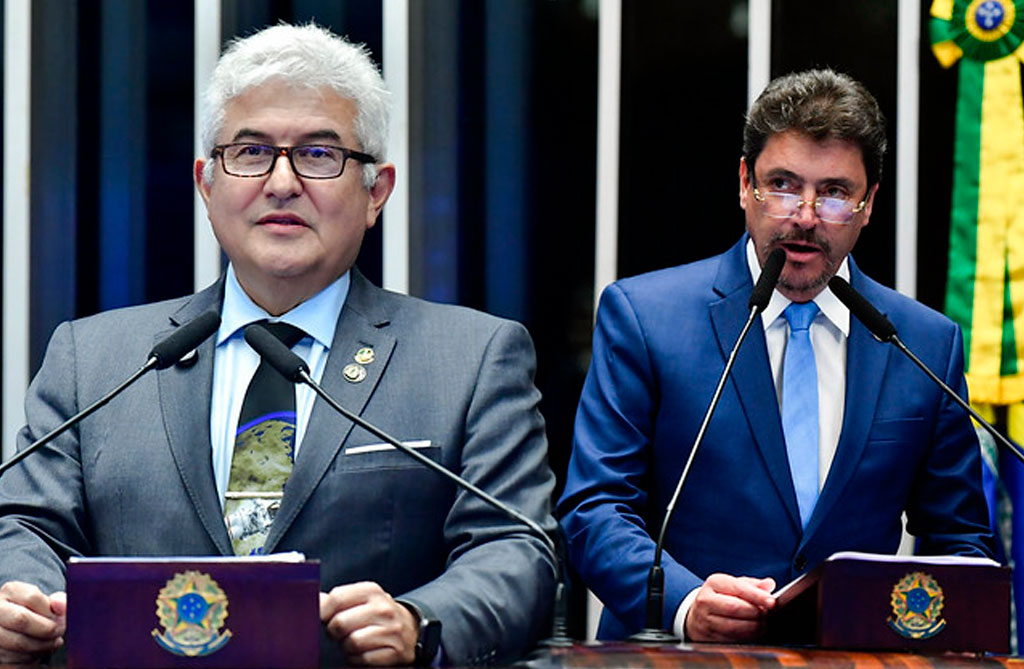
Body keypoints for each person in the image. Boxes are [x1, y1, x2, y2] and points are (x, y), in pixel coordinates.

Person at [0, 23, 557, 666]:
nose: (283, 182)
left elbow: (516, 547)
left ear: (376, 192)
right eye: (251, 152)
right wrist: (25, 599)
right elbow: (25, 524)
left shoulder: (471, 358)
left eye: (320, 154)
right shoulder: (94, 360)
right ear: (207, 184)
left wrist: (418, 620)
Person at [557, 69, 995, 642]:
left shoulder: (923, 343)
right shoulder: (644, 317)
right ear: (745, 184)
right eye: (783, 185)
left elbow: (959, 542)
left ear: (868, 205)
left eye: (834, 193)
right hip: (679, 656)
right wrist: (685, 602)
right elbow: (596, 506)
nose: (805, 217)